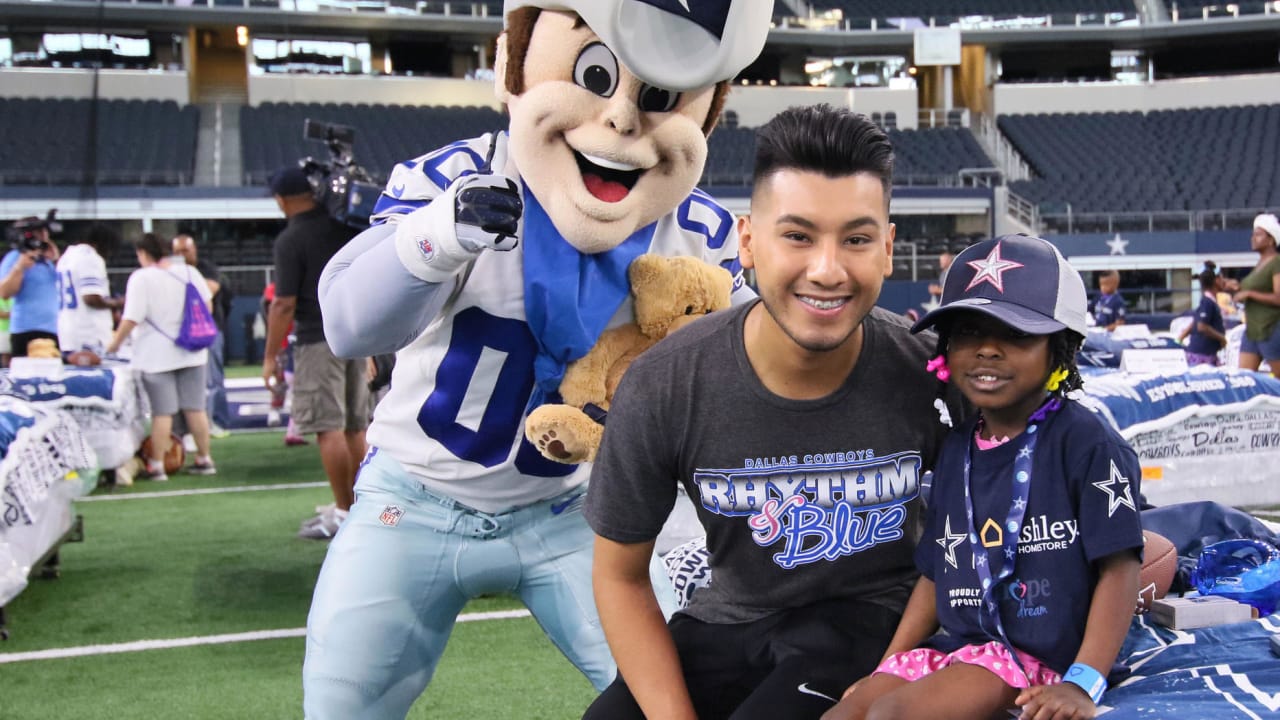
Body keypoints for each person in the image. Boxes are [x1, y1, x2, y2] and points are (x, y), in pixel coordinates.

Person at [306, 1, 774, 716]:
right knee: (342, 705)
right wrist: (433, 239)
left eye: (656, 97)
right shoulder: (458, 181)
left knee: (686, 693)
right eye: (594, 74)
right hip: (416, 500)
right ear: (513, 64)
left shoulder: (695, 229)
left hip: (581, 509)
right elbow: (348, 325)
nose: (620, 119)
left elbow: (756, 373)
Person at [582, 104, 962, 720]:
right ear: (748, 241)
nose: (827, 269)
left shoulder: (934, 374)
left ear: (888, 250)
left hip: (870, 622)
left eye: (857, 239)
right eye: (798, 235)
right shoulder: (666, 381)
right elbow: (621, 577)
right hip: (729, 623)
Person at [823, 233, 1143, 720]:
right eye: (968, 333)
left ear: (1060, 348)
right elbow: (935, 572)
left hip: (1032, 659)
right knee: (847, 712)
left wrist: (1084, 682)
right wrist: (887, 664)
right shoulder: (957, 448)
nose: (987, 351)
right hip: (957, 644)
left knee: (892, 716)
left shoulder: (1087, 443)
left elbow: (1120, 569)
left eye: (1016, 334)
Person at [263, 166, 368, 539]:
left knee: (329, 427)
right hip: (359, 335)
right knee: (358, 426)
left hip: (317, 339)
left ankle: (344, 512)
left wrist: (269, 355)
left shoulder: (291, 239)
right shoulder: (343, 226)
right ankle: (363, 507)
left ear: (281, 199)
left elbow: (283, 305)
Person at [106, 232, 217, 480]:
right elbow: (206, 307)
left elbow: (132, 317)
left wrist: (114, 344)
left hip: (156, 355)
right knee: (195, 408)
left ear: (143, 254)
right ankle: (204, 458)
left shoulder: (141, 278)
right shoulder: (189, 272)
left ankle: (157, 464)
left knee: (162, 412)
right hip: (193, 350)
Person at [173, 233, 232, 436]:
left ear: (194, 250)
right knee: (187, 383)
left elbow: (209, 290)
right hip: (184, 334)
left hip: (209, 331)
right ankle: (191, 428)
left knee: (213, 379)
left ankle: (218, 421)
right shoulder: (173, 272)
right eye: (177, 251)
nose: (181, 255)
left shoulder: (205, 268)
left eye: (185, 250)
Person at [56, 223, 123, 358]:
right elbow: (91, 298)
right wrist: (118, 302)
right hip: (89, 334)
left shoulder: (66, 257)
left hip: (67, 334)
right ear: (102, 243)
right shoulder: (90, 258)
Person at [0, 216, 62, 357]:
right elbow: (4, 292)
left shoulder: (48, 261)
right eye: (39, 232)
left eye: (44, 231)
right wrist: (19, 268)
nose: (44, 235)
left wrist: (56, 260)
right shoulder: (15, 257)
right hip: (25, 329)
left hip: (53, 328)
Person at [1235, 213, 1280, 376]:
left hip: (1271, 329)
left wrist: (1249, 293)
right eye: (1253, 234)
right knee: (1243, 381)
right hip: (1252, 330)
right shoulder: (1259, 265)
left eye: (1258, 234)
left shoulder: (1276, 263)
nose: (1253, 238)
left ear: (1271, 239)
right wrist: (1237, 288)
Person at [1180, 262, 1227, 367]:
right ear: (1216, 280)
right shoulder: (1207, 302)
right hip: (1202, 355)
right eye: (1222, 278)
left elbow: (1194, 322)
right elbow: (1202, 327)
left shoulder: (1208, 301)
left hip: (1206, 353)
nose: (1224, 281)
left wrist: (1180, 338)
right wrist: (1222, 338)